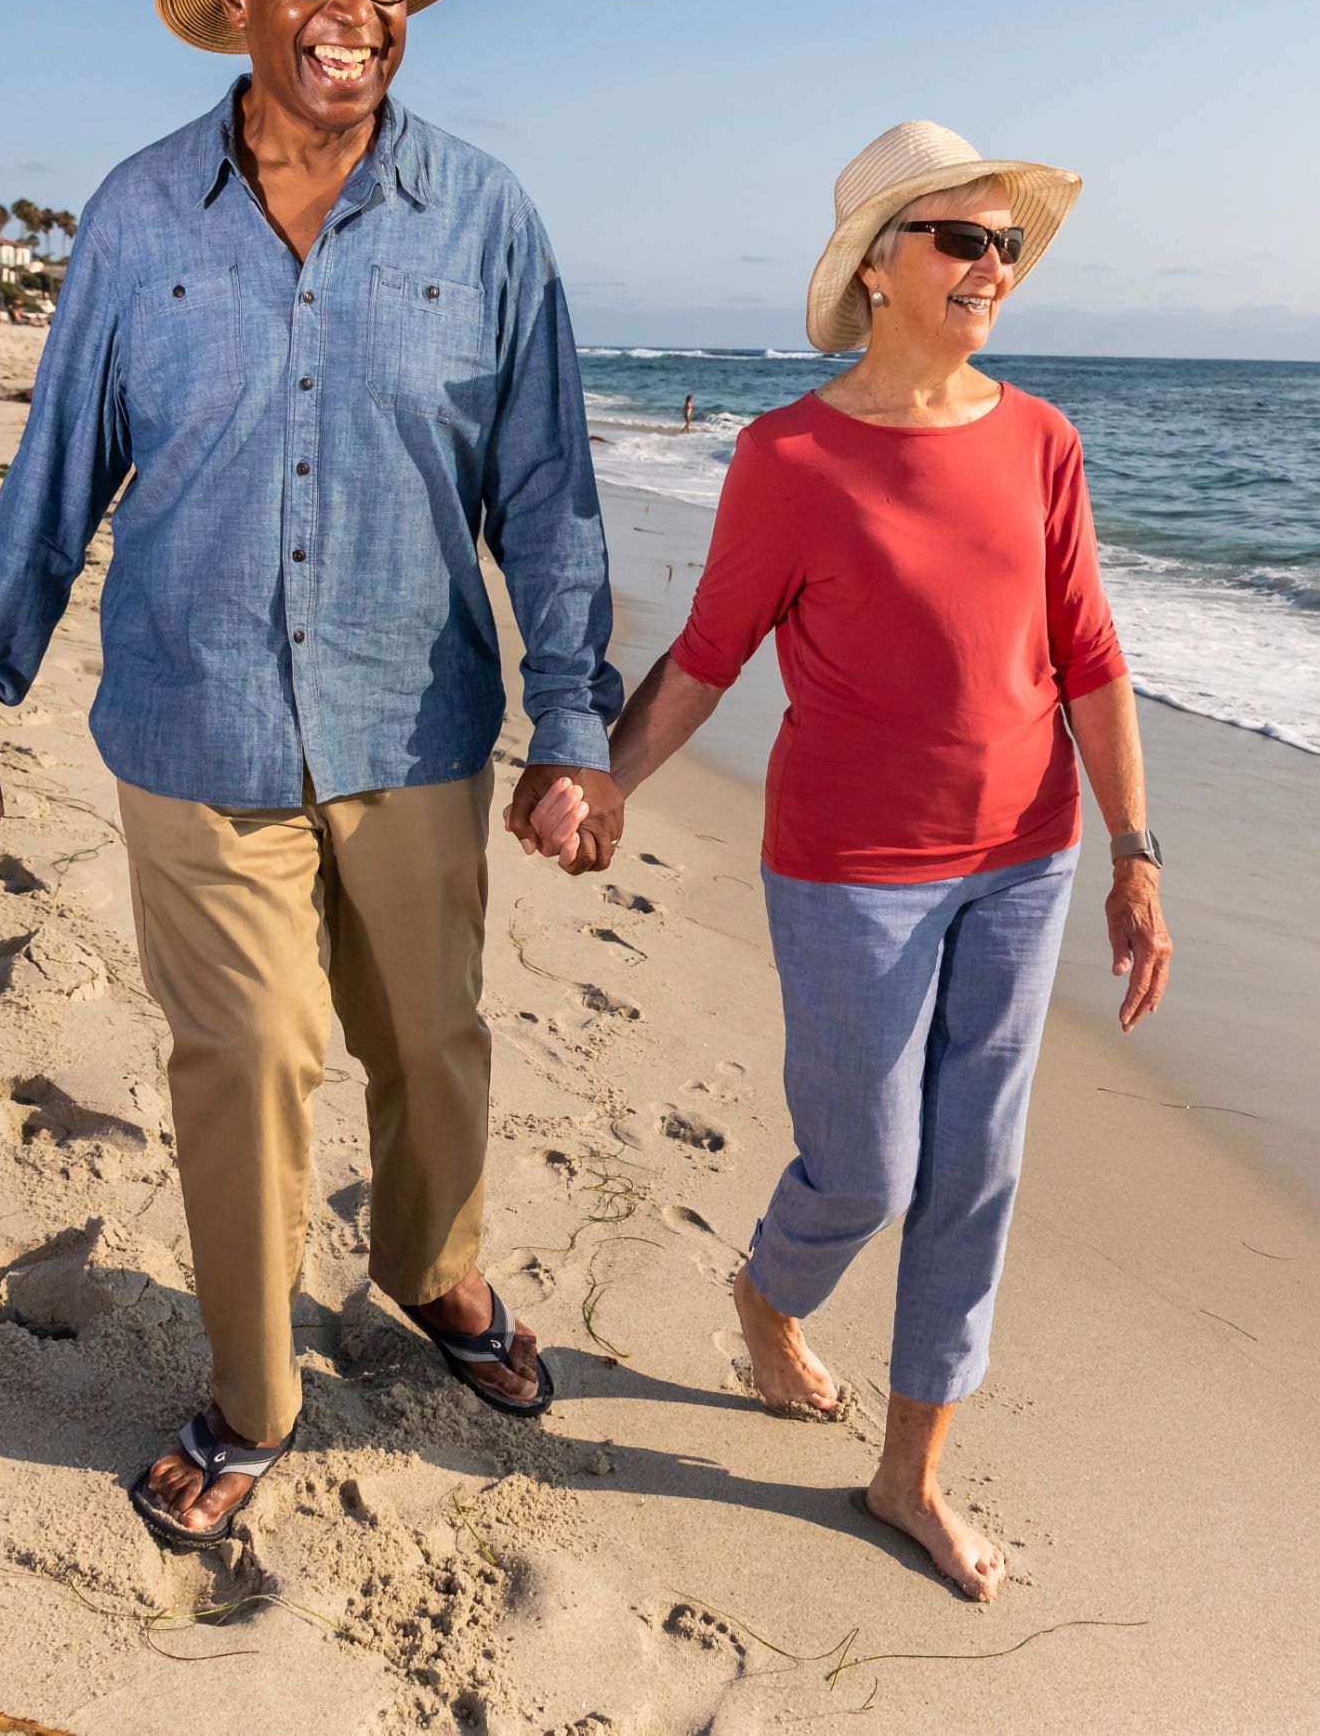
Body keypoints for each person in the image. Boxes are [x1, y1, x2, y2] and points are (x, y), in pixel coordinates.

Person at [0, 0, 624, 1551]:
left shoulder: (489, 217)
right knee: (244, 1053)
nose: (351, 8)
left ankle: (435, 1268)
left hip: (419, 721)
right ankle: (248, 1394)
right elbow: (58, 468)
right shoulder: (140, 212)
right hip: (192, 719)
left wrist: (575, 728)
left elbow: (547, 493)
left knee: (430, 1042)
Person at [530, 121, 1173, 1600]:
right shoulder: (789, 456)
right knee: (871, 1162)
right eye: (963, 238)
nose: (991, 267)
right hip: (849, 868)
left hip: (1025, 858)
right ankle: (769, 1290)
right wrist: (600, 781)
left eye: (1006, 243)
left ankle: (911, 1474)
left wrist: (1137, 850)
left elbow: (1090, 657)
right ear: (880, 265)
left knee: (977, 1174)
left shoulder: (1041, 440)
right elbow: (707, 655)